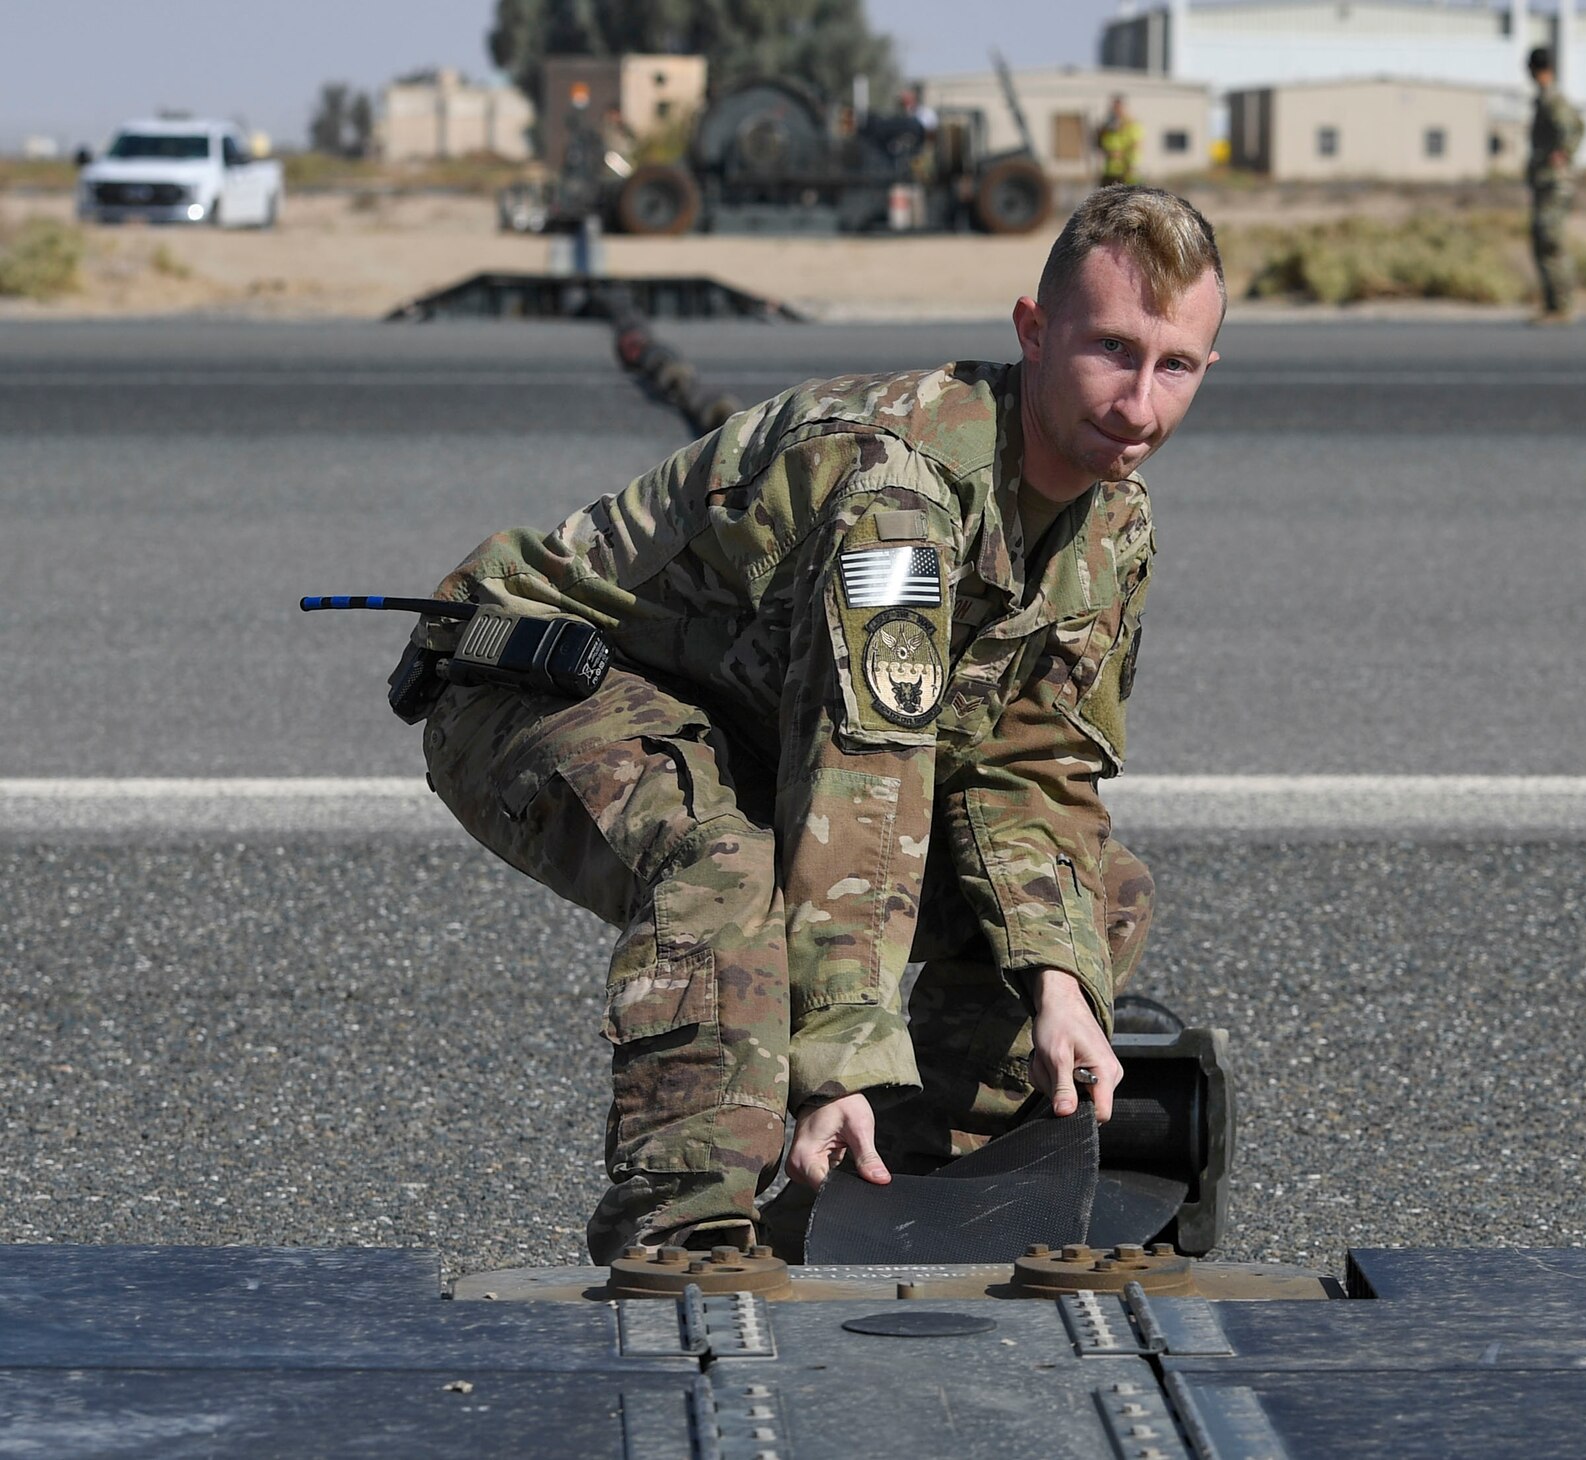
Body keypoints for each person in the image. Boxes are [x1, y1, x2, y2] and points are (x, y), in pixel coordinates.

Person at [414, 185, 1226, 1262]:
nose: (1136, 402)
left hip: (751, 719)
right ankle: (683, 1239)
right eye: (1109, 349)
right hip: (538, 681)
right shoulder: (898, 492)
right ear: (1031, 332)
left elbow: (1029, 770)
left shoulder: (1109, 524)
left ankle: (886, 1193)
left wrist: (1058, 980)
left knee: (1090, 898)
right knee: (724, 865)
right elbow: (864, 773)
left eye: (1173, 367)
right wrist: (837, 1056)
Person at [1526, 46, 1586, 323]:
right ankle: (1553, 305)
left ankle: (1562, 306)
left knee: (1551, 241)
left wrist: (1563, 153)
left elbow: (1574, 127)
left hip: (1554, 182)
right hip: (1546, 181)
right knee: (1542, 240)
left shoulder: (1553, 100)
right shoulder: (1545, 99)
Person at [1096, 95, 1143, 188]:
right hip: (1109, 171)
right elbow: (1101, 144)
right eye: (1114, 108)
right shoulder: (1108, 126)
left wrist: (1130, 164)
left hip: (1126, 172)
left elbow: (1136, 146)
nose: (1116, 111)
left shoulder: (1132, 125)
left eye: (1118, 108)